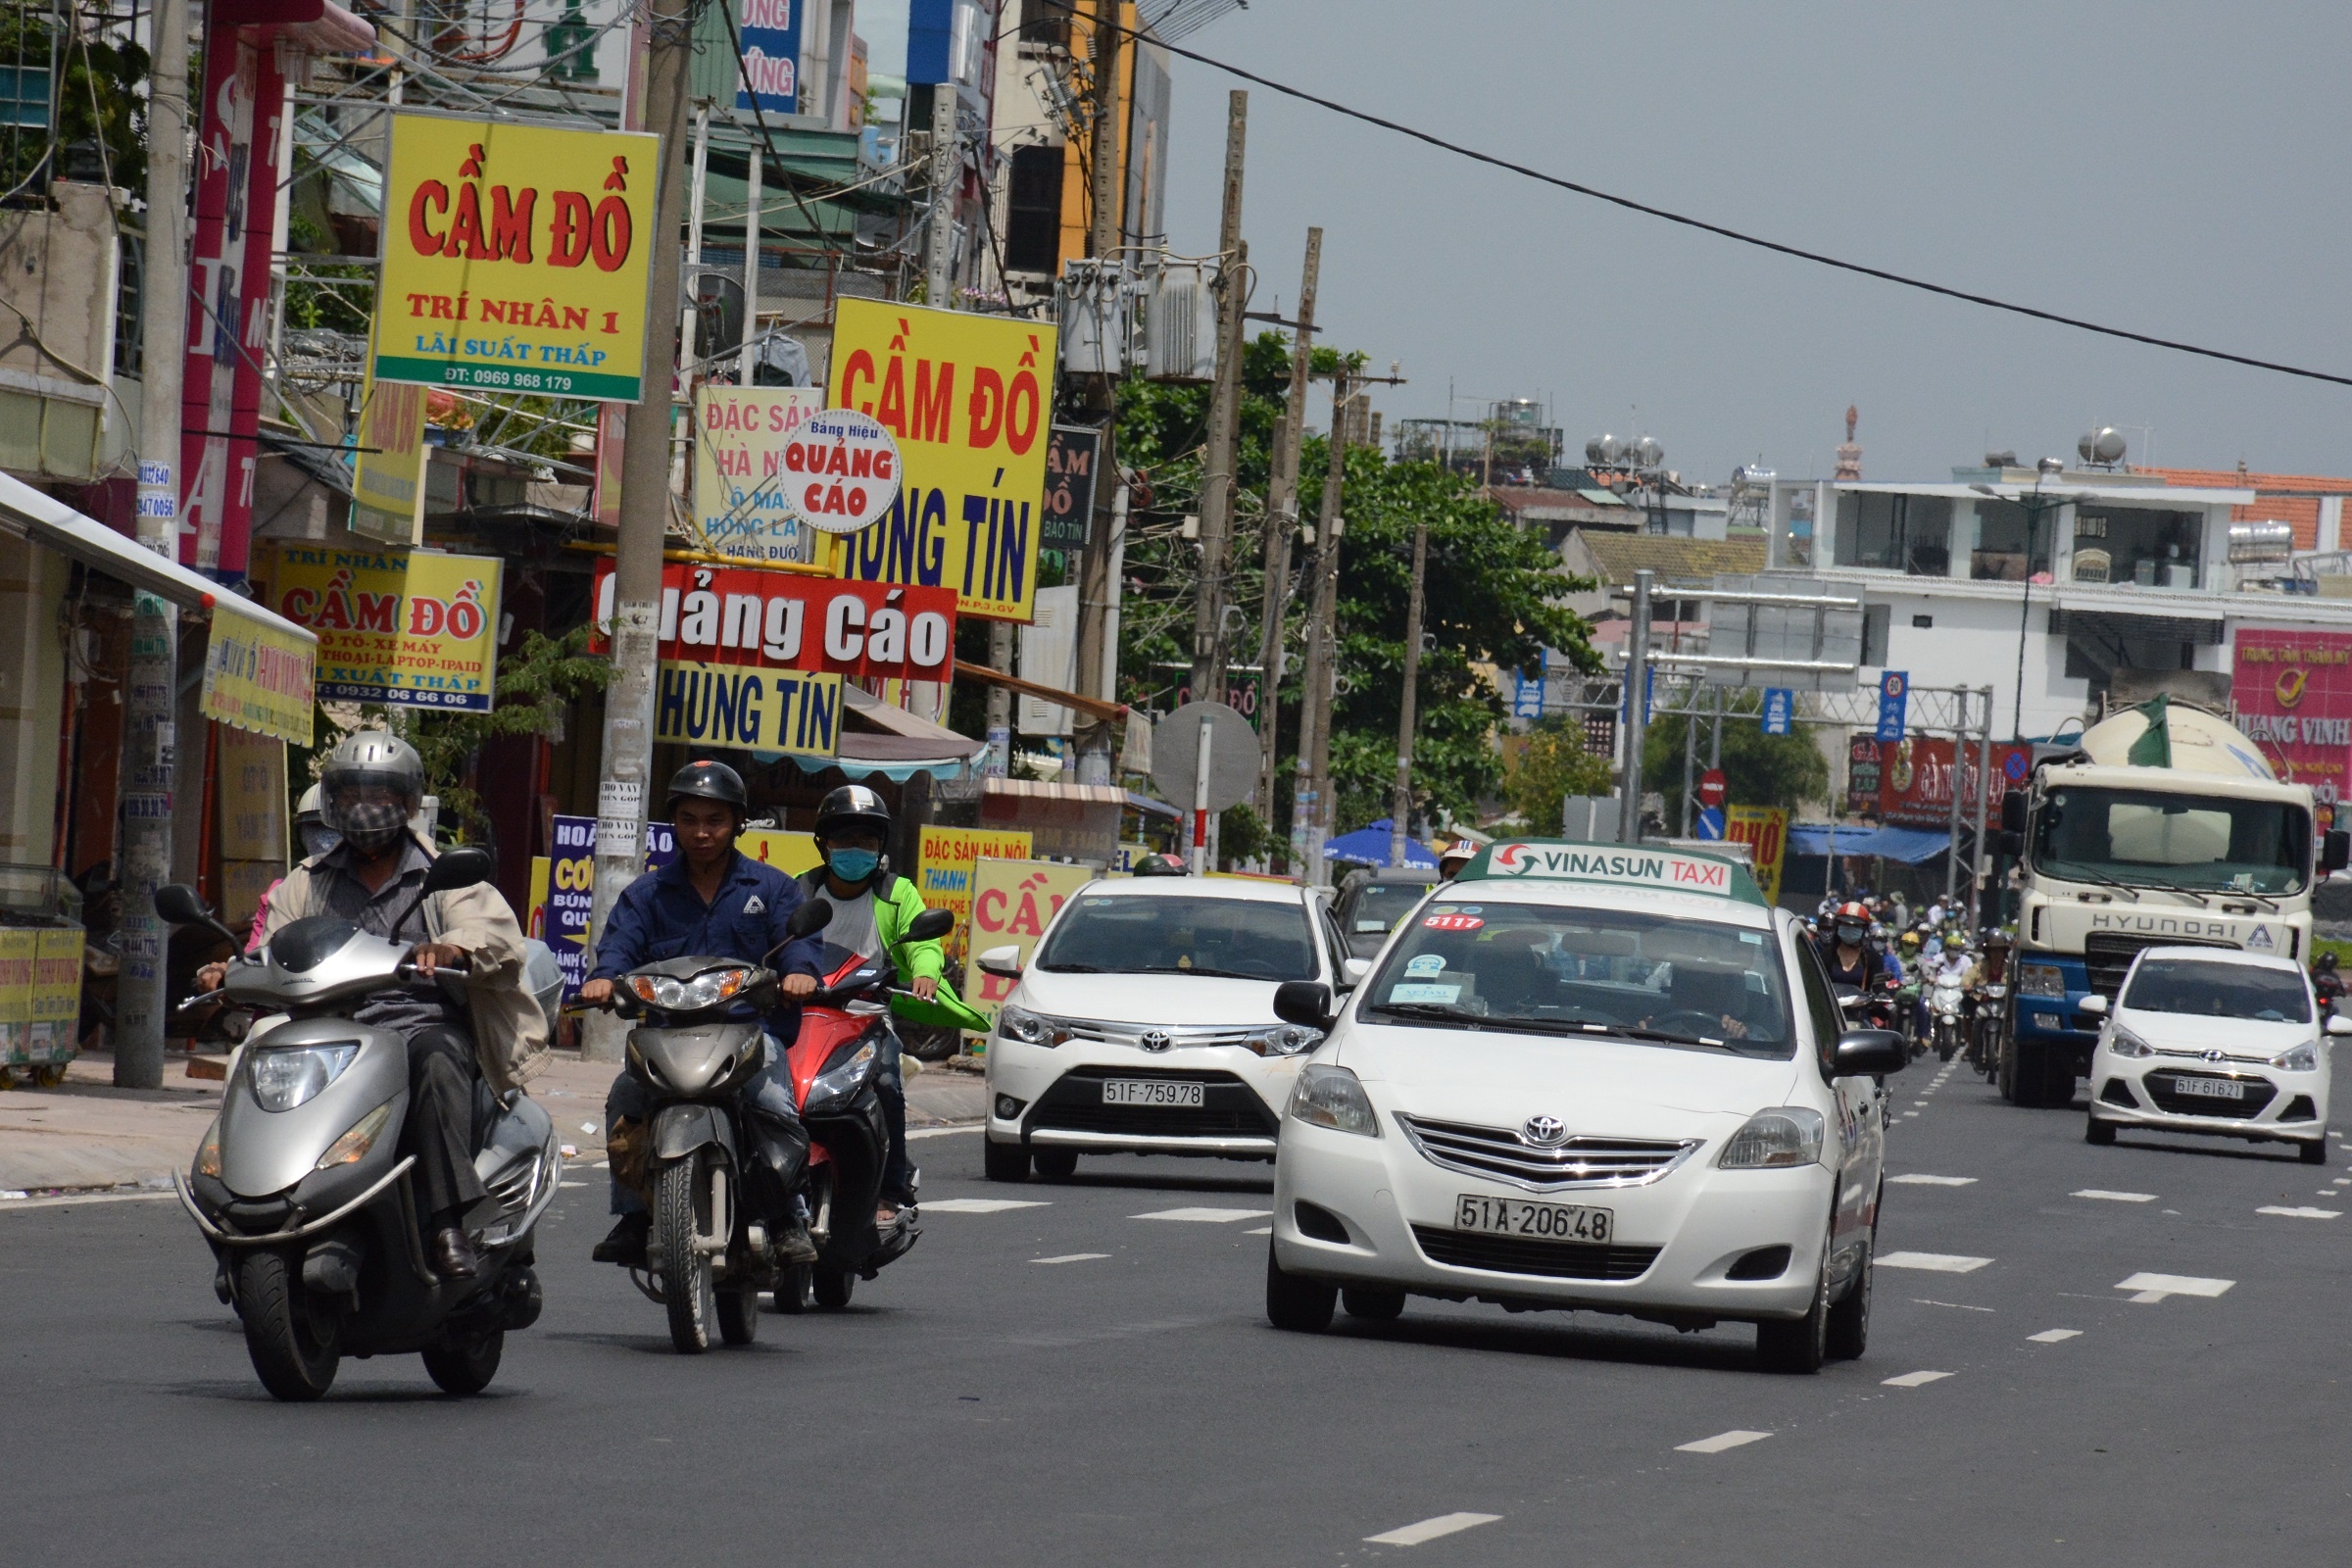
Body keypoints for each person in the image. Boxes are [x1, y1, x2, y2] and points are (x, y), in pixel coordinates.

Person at [198, 731, 547, 1279]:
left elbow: (492, 933)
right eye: (352, 793)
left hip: (416, 1023)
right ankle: (239, 1216)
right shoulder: (306, 882)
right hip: (325, 1029)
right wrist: (234, 970)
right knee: (251, 1058)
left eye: (381, 795)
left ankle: (448, 1219)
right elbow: (274, 947)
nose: (365, 807)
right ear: (332, 802)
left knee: (437, 1059)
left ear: (407, 804)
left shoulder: (443, 874)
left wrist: (453, 946)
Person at [583, 760, 826, 1268]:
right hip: (667, 1035)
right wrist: (605, 979)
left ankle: (786, 1216)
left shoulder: (773, 888)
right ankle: (633, 1213)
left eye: (714, 819)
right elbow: (618, 948)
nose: (701, 831)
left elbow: (798, 944)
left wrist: (798, 974)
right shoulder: (645, 895)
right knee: (624, 1100)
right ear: (674, 822)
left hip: (748, 1035)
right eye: (689, 818)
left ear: (738, 822)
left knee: (777, 1105)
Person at [793, 784, 984, 1226]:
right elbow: (774, 941)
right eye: (844, 840)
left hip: (866, 1021)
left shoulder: (898, 893)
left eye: (866, 840)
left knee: (887, 1087)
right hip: (804, 1020)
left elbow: (926, 943)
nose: (854, 850)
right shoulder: (799, 890)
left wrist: (924, 972)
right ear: (824, 844)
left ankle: (890, 1188)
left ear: (881, 846)